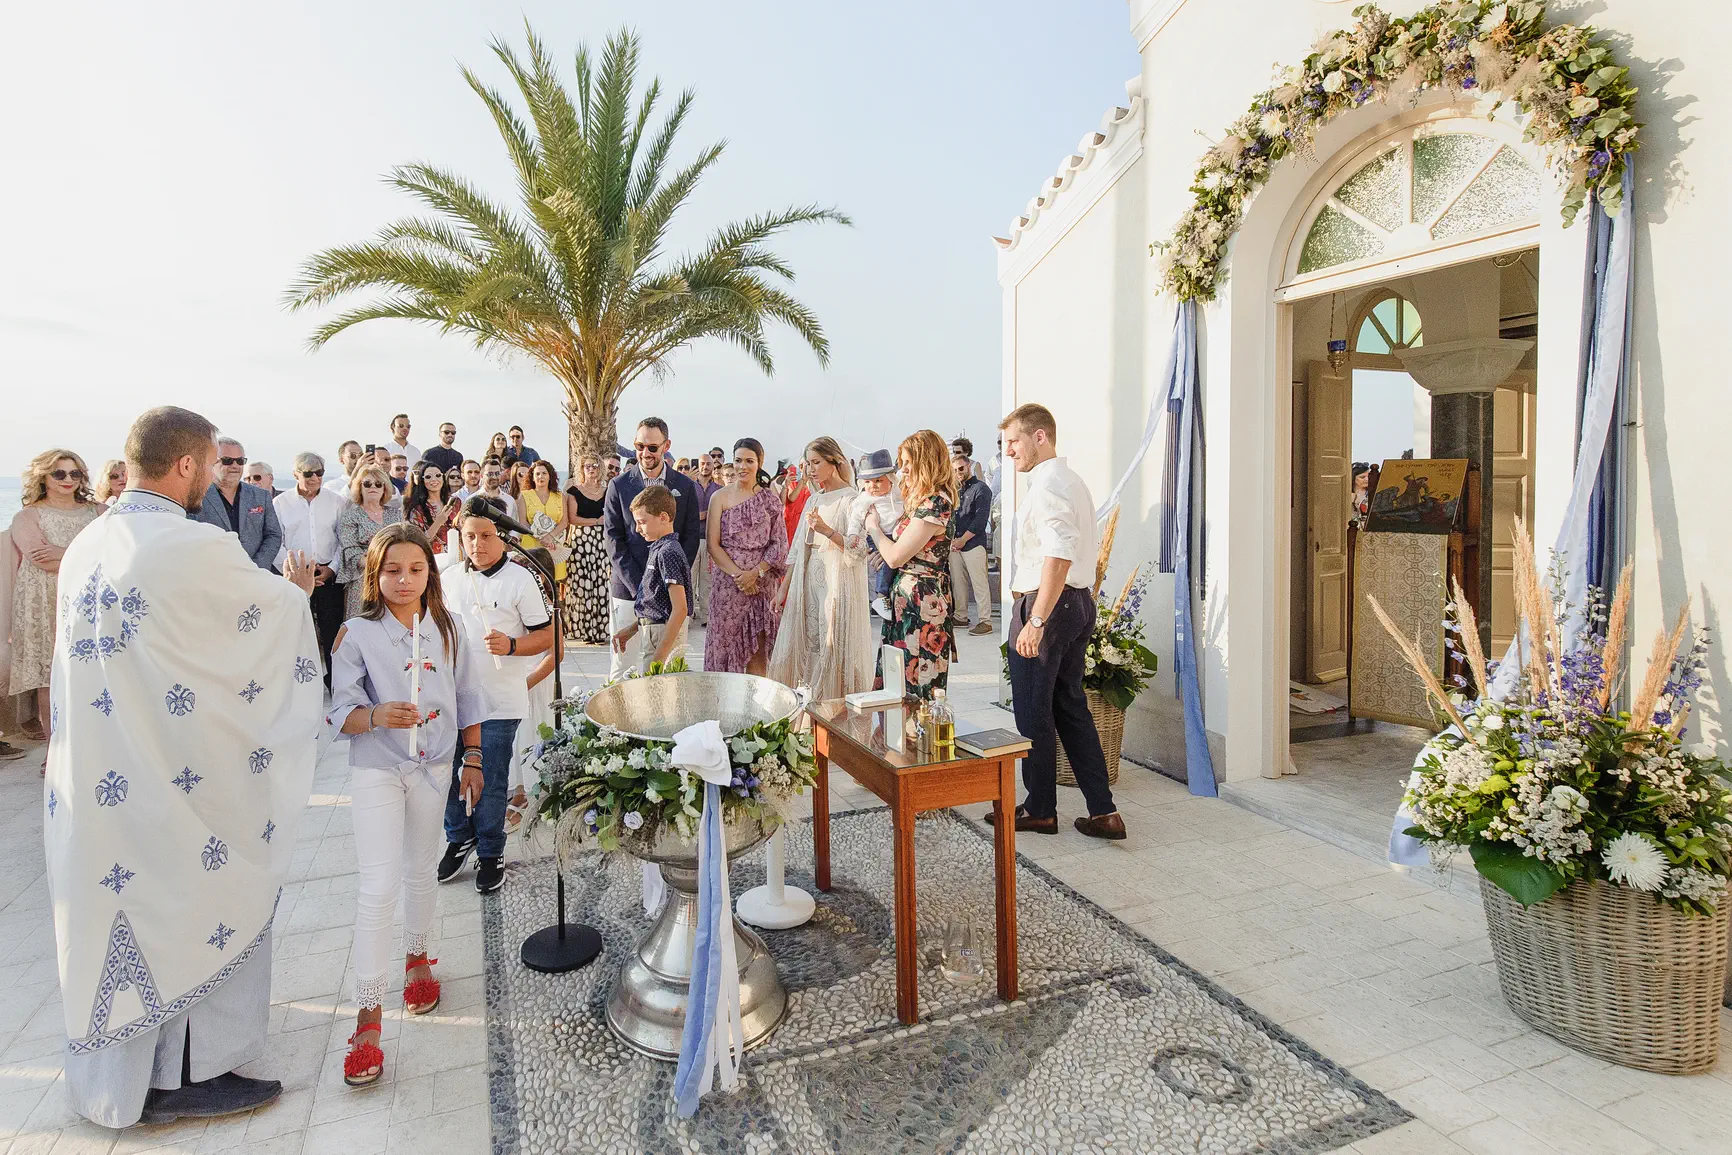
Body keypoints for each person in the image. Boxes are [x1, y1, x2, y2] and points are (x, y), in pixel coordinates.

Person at [46, 405, 322, 1128]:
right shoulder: (192, 543)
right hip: (171, 780)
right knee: (199, 901)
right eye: (208, 463)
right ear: (188, 465)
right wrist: (296, 597)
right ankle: (185, 1077)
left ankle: (123, 1079)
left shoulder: (85, 545)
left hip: (97, 780)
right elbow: (258, 627)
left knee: (129, 912)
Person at [328, 523, 484, 1086]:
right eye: (392, 570)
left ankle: (419, 960)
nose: (404, 580)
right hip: (378, 766)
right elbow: (339, 711)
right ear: (375, 574)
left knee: (421, 869)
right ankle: (368, 1016)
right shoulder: (356, 633)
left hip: (435, 766)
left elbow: (468, 697)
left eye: (416, 569)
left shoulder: (450, 628)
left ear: (430, 573)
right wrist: (375, 715)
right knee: (378, 886)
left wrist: (473, 759)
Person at [990, 403, 1126, 841]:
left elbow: (1059, 553)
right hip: (1076, 603)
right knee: (1070, 709)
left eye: (1014, 441)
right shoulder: (1071, 481)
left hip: (1048, 605)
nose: (1008, 451)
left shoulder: (1049, 484)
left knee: (1034, 714)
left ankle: (1040, 810)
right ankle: (1103, 811)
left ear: (1040, 436)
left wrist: (1036, 620)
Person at [438, 499, 554, 893]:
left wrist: (511, 645)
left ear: (502, 536)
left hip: (500, 698)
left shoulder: (521, 579)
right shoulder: (449, 579)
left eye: (486, 535)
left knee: (490, 778)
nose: (478, 544)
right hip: (453, 698)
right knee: (448, 771)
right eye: (470, 536)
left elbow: (547, 636)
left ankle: (490, 850)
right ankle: (458, 837)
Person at [9, 449, 104, 741]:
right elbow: (41, 560)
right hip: (44, 600)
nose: (68, 479)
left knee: (95, 670)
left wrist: (61, 552)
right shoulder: (28, 516)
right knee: (50, 676)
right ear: (43, 477)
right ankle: (56, 749)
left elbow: (112, 554)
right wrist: (89, 554)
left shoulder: (100, 512)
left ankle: (94, 744)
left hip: (89, 598)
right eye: (59, 473)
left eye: (74, 473)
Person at [768, 437, 873, 698]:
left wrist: (826, 530)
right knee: (810, 642)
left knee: (832, 641)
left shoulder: (851, 499)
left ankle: (832, 702)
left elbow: (859, 549)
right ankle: (810, 701)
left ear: (833, 461)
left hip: (837, 581)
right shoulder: (813, 499)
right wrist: (783, 590)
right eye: (808, 463)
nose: (810, 469)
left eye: (816, 462)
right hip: (809, 580)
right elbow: (797, 548)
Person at [602, 417, 702, 681]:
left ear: (666, 446)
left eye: (652, 447)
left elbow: (690, 538)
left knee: (667, 671)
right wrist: (644, 589)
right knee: (622, 668)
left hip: (670, 594)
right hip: (628, 589)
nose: (645, 453)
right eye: (639, 446)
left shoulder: (685, 487)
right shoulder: (619, 485)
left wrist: (667, 584)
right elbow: (613, 540)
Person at [865, 430, 956, 700]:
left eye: (908, 462)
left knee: (917, 684)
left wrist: (873, 528)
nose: (902, 469)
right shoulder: (920, 501)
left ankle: (916, 728)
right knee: (897, 679)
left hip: (921, 601)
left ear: (926, 462)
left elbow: (896, 556)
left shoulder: (935, 503)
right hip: (906, 598)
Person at [704, 438, 786, 676]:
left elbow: (779, 543)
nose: (743, 466)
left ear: (759, 463)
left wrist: (755, 573)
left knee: (757, 653)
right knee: (724, 649)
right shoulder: (719, 497)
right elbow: (713, 545)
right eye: (738, 460)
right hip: (727, 588)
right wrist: (740, 576)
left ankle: (756, 700)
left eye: (749, 461)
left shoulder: (770, 500)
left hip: (761, 587)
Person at [275, 453, 347, 686]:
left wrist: (332, 569)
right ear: (295, 474)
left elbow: (343, 540)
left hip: (327, 575)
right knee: (295, 633)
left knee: (332, 632)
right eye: (308, 473)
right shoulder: (281, 503)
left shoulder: (336, 501)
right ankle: (295, 685)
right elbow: (276, 541)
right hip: (295, 577)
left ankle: (335, 685)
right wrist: (295, 573)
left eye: (319, 472)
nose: (315, 478)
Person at [505, 546, 561, 835]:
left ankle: (525, 795)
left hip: (536, 682)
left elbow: (556, 654)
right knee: (515, 739)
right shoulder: (516, 604)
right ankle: (517, 788)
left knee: (530, 737)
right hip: (516, 679)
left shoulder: (549, 609)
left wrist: (528, 682)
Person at [610, 486, 691, 675]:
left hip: (663, 637)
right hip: (654, 632)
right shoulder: (659, 548)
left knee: (658, 690)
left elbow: (680, 609)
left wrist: (659, 658)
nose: (637, 529)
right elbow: (656, 605)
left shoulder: (668, 552)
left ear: (663, 517)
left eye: (642, 522)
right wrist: (632, 629)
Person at [192, 436, 283, 571]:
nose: (235, 466)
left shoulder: (261, 496)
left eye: (240, 461)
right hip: (213, 574)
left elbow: (273, 535)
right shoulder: (195, 496)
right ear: (212, 462)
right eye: (227, 460)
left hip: (256, 575)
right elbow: (192, 538)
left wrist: (256, 568)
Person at [337, 467, 403, 618]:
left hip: (394, 576)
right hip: (363, 579)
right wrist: (378, 564)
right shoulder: (350, 516)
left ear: (384, 488)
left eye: (378, 484)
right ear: (359, 487)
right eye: (367, 484)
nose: (373, 487)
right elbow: (350, 550)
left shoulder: (396, 515)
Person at [847, 449, 901, 623]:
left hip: (896, 536)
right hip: (877, 536)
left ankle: (887, 596)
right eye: (868, 482)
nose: (873, 486)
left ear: (890, 479)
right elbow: (855, 518)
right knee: (885, 565)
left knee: (894, 567)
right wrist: (853, 534)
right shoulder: (865, 499)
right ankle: (881, 597)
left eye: (879, 480)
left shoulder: (897, 493)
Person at [562, 455, 610, 645]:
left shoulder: (608, 491)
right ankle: (583, 630)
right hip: (581, 542)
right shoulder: (574, 491)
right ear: (582, 469)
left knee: (601, 583)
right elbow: (572, 518)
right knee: (581, 584)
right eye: (587, 466)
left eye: (595, 466)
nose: (591, 469)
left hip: (602, 542)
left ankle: (600, 630)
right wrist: (596, 521)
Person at [949, 440, 995, 635]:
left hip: (974, 544)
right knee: (958, 584)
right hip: (955, 545)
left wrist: (963, 540)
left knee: (980, 584)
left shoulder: (981, 489)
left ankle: (985, 621)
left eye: (961, 468)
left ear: (969, 465)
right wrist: (953, 540)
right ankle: (960, 616)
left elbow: (980, 520)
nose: (958, 472)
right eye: (954, 470)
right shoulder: (954, 491)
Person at [517, 460, 568, 587]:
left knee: (554, 585)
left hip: (554, 546)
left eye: (544, 473)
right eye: (537, 474)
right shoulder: (524, 496)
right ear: (532, 477)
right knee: (532, 583)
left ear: (550, 476)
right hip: (532, 546)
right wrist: (540, 538)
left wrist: (550, 537)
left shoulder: (560, 496)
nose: (541, 476)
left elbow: (564, 522)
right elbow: (523, 522)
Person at [405, 460, 461, 554]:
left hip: (458, 553)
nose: (434, 479)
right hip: (433, 556)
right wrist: (439, 521)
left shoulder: (455, 502)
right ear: (422, 481)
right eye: (428, 477)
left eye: (438, 475)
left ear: (443, 478)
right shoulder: (417, 508)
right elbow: (419, 540)